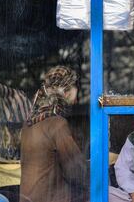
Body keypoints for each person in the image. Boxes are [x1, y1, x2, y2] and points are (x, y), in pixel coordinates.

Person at [20, 66, 88, 202]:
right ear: (67, 91)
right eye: (76, 90)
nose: (76, 98)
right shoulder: (57, 124)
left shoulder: (28, 124)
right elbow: (75, 171)